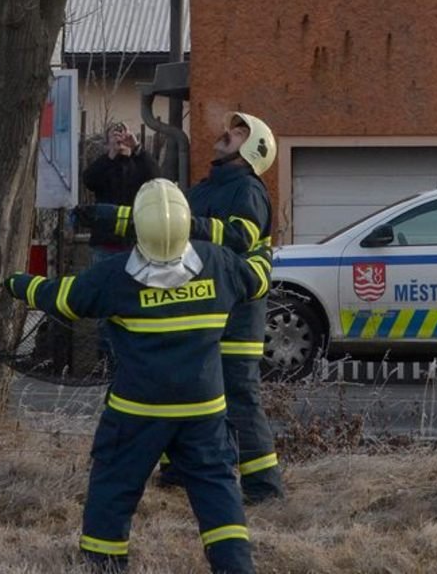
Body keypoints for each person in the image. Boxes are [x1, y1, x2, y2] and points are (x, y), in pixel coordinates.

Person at [5, 178, 270, 573]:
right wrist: (263, 249)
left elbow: (63, 298)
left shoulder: (115, 276)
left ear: (138, 230)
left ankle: (104, 564)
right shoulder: (219, 263)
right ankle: (236, 567)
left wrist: (15, 283)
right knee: (217, 490)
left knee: (114, 487)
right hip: (204, 409)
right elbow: (259, 278)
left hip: (137, 411)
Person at [78, 112, 283, 504]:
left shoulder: (248, 189)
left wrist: (189, 226)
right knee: (186, 389)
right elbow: (164, 224)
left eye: (239, 133)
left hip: (237, 316)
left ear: (252, 151)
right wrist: (110, 217)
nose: (227, 133)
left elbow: (239, 236)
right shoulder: (207, 188)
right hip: (205, 308)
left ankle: (264, 487)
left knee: (239, 397)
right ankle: (180, 471)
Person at [83, 122, 159, 255]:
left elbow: (156, 177)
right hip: (105, 243)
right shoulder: (104, 164)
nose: (120, 139)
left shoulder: (140, 164)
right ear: (107, 144)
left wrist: (136, 147)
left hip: (135, 242)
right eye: (115, 135)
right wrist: (112, 154)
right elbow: (89, 180)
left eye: (123, 133)